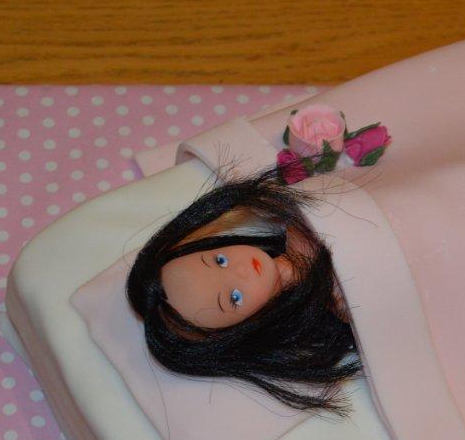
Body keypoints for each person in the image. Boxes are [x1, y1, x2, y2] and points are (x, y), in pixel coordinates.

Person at [125, 168, 359, 412]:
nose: (241, 270)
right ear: (247, 327)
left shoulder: (295, 221)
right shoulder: (340, 304)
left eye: (220, 261)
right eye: (234, 298)